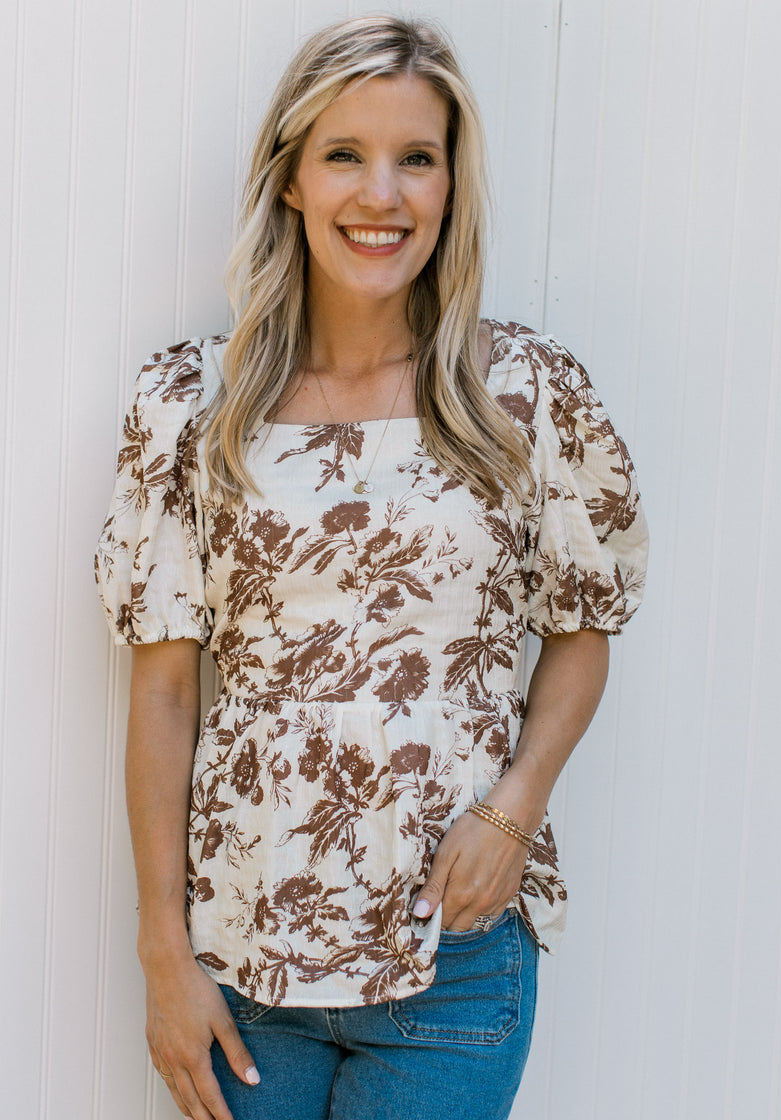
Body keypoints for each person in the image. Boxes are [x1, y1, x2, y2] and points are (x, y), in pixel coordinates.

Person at [95, 14, 648, 1120]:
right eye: (344, 154)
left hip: (452, 957)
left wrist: (513, 813)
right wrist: (163, 950)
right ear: (291, 180)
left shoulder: (524, 396)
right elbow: (161, 690)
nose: (381, 194)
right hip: (244, 966)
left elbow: (582, 628)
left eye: (417, 158)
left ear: (451, 185)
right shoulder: (190, 409)